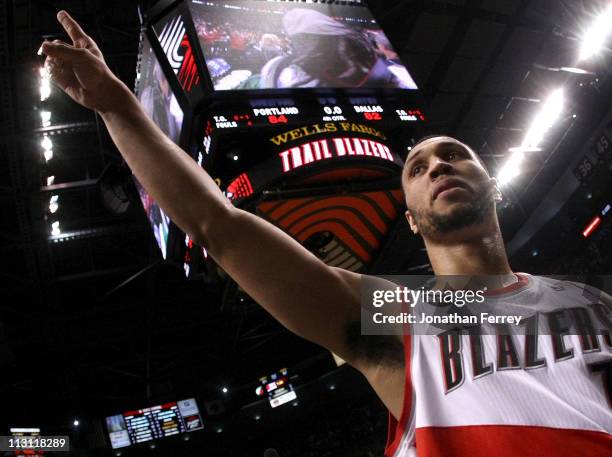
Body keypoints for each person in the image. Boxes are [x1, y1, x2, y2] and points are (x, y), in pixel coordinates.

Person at [40, 11, 611, 457]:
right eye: (416, 168)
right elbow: (221, 226)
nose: (438, 167)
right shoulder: (396, 309)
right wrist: (118, 106)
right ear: (409, 218)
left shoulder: (590, 300)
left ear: (493, 186)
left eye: (455, 156)